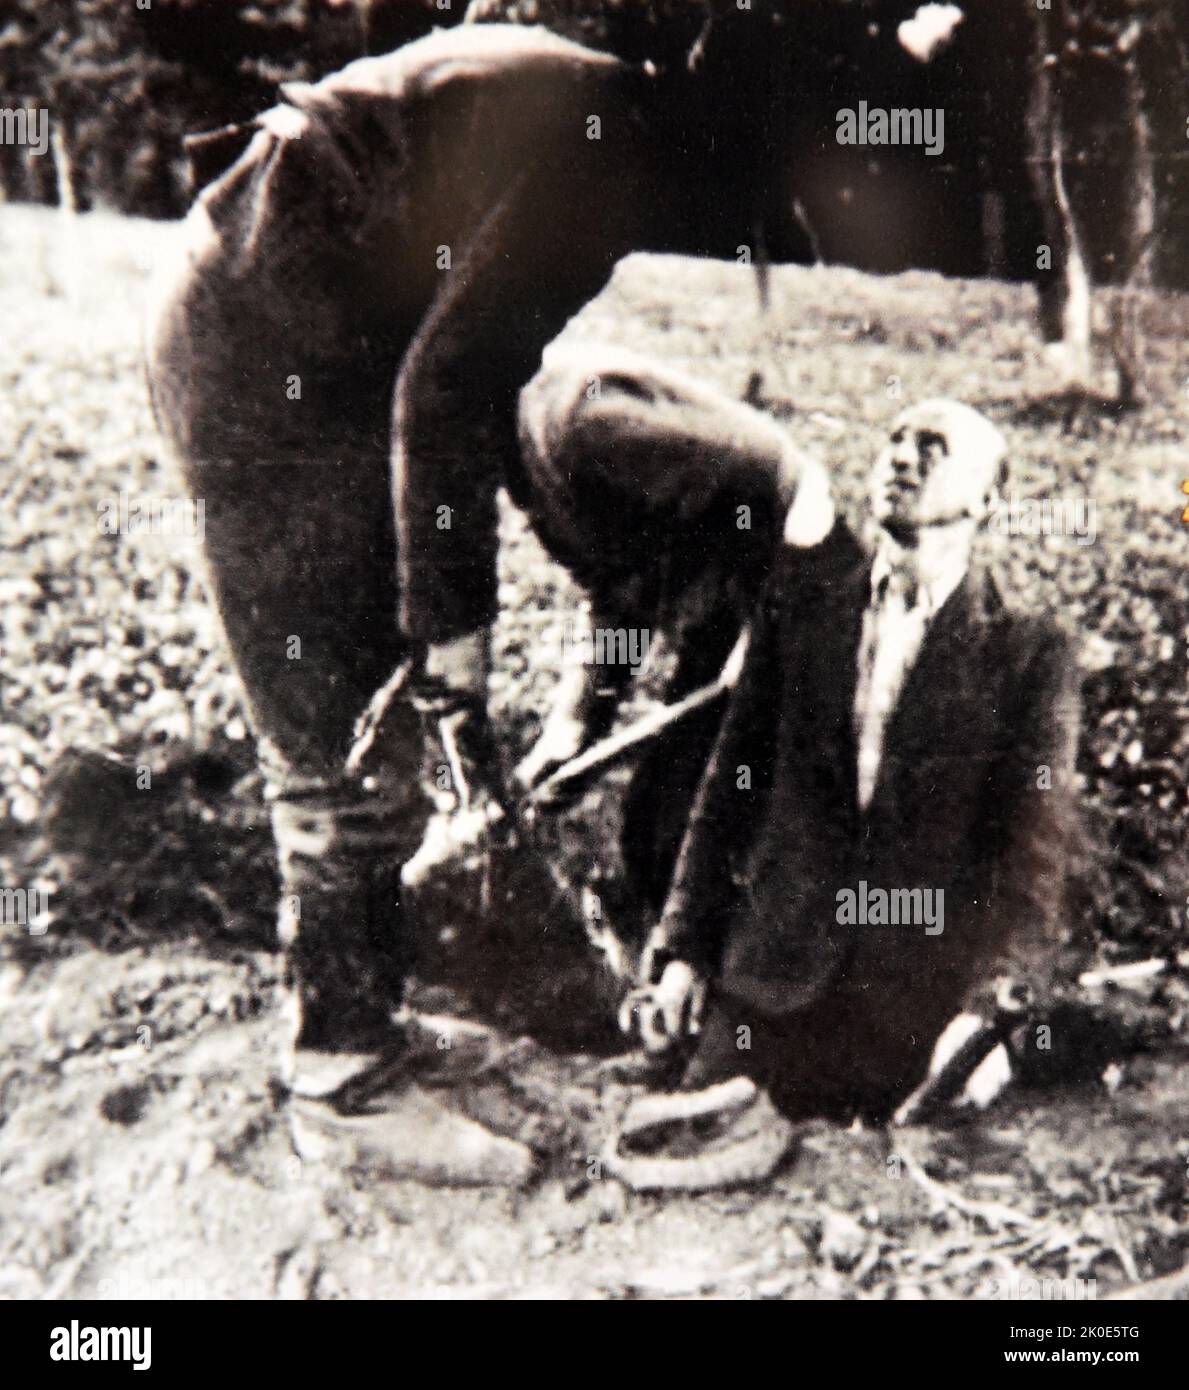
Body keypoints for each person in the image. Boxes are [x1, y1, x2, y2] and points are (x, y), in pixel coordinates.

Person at [565, 389, 1082, 1121]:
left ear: (988, 501)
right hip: (768, 989)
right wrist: (682, 954)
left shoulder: (1029, 654)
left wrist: (986, 1020)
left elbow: (1033, 861)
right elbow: (726, 795)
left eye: (931, 447)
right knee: (686, 1139)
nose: (901, 456)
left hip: (912, 1007)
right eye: (893, 440)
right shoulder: (801, 607)